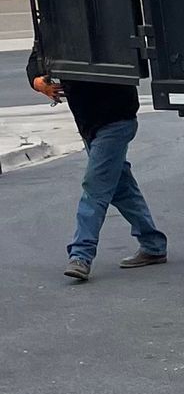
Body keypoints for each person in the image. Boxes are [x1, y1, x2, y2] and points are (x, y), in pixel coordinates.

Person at [27, 48, 167, 282]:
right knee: (122, 188)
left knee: (95, 187)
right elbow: (36, 59)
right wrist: (37, 81)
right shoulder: (55, 23)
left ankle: (81, 255)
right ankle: (153, 244)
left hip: (116, 121)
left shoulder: (107, 20)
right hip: (89, 123)